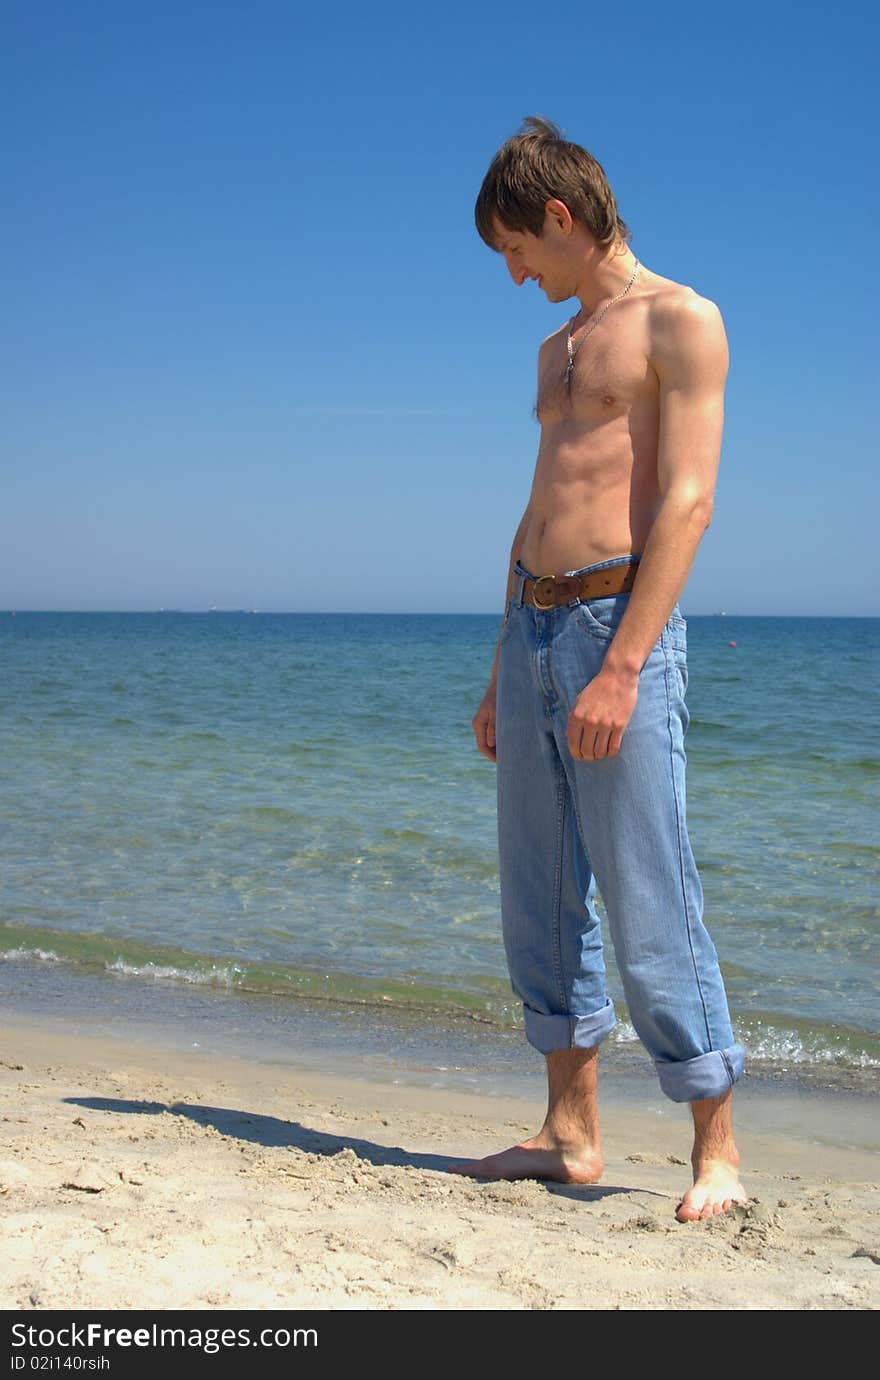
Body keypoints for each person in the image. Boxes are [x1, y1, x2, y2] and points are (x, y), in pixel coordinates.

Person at [449, 117, 747, 1221]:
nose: (515, 275)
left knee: (649, 891)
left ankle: (714, 1147)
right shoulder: (555, 350)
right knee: (539, 895)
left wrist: (623, 667)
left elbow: (687, 501)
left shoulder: (681, 321)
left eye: (517, 251)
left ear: (560, 219)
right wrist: (497, 669)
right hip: (530, 628)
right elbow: (533, 512)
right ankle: (569, 1134)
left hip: (616, 629)